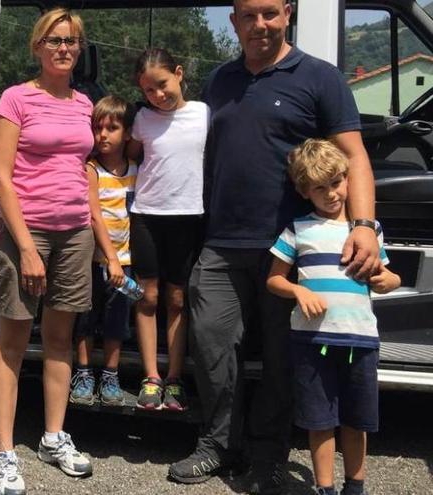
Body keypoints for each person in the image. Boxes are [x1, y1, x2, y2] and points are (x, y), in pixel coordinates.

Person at [168, 1, 382, 493]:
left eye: (269, 13)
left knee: (287, 361)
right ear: (234, 21)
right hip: (221, 243)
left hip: (292, 250)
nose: (259, 24)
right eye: (248, 15)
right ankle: (218, 444)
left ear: (287, 14)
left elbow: (354, 156)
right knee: (214, 349)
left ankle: (267, 455)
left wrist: (365, 224)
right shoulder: (220, 80)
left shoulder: (320, 77)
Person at [0, 8, 94, 495]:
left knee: (59, 340)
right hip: (25, 234)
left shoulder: (84, 104)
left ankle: (53, 437)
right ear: (37, 46)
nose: (63, 48)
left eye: (71, 41)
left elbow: (82, 170)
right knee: (11, 343)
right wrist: (27, 248)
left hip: (74, 233)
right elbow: (1, 177)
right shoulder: (15, 98)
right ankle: (5, 453)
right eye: (54, 40)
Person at [267, 139, 400, 495]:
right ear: (304, 191)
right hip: (311, 341)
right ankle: (325, 489)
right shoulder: (298, 230)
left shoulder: (367, 232)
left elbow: (389, 276)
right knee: (319, 421)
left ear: (348, 179)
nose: (331, 194)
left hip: (360, 339)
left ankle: (355, 487)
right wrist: (300, 290)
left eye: (337, 182)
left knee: (357, 422)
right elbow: (274, 278)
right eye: (319, 188)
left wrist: (389, 280)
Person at [126, 48, 208, 412]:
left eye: (162, 84)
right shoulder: (142, 119)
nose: (158, 95)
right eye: (148, 91)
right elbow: (131, 156)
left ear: (178, 73)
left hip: (188, 216)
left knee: (177, 299)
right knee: (148, 298)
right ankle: (150, 376)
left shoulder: (203, 114)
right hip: (146, 216)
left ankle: (174, 378)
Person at [69, 95, 138, 407]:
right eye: (98, 128)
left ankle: (110, 374)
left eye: (112, 128)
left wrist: (122, 261)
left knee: (117, 322)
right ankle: (83, 373)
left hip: (125, 262)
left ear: (127, 133)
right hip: (96, 261)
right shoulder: (91, 170)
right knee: (85, 318)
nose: (103, 135)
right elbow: (95, 215)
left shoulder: (135, 169)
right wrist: (110, 259)